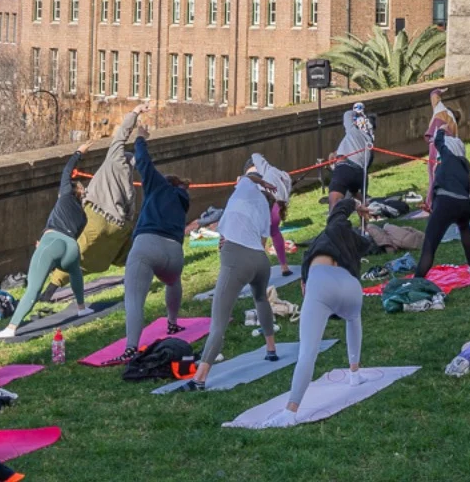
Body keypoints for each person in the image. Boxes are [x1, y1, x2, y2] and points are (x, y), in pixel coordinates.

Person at [171, 156, 291, 392]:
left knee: (218, 322)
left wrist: (260, 181)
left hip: (236, 261)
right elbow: (262, 242)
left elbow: (249, 175)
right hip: (260, 262)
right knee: (260, 300)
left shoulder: (243, 192)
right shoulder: (265, 214)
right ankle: (271, 350)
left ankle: (200, 379)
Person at [261, 198, 376, 427]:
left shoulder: (334, 228)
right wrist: (366, 224)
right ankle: (355, 373)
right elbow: (367, 243)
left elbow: (340, 207)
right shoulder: (354, 242)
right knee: (353, 320)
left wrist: (355, 204)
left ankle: (290, 411)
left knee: (308, 351)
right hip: (351, 287)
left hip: (322, 282)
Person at [0, 149, 98, 339]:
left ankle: (11, 328)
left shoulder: (65, 195)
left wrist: (78, 153)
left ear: (69, 192)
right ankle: (82, 308)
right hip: (70, 248)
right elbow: (71, 236)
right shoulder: (83, 216)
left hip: (53, 243)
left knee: (33, 288)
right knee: (75, 273)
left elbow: (67, 171)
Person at [116, 116, 193, 362]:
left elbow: (145, 164)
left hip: (148, 246)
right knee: (173, 282)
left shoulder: (159, 186)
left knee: (135, 298)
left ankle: (131, 347)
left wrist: (140, 138)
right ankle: (172, 322)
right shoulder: (182, 200)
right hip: (174, 254)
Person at [69, 109, 142, 289]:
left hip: (96, 214)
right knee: (124, 253)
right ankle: (138, 276)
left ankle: (51, 288)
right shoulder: (130, 186)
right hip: (117, 224)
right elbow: (130, 210)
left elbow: (121, 135)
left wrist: (135, 112)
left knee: (75, 253)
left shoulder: (113, 160)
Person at [414, 122, 470, 276]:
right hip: (464, 205)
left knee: (429, 246)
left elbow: (438, 142)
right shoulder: (466, 168)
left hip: (445, 203)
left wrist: (442, 129)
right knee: (464, 228)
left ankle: (416, 281)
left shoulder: (447, 156)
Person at [326, 103, 376, 210]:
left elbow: (347, 114)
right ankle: (367, 218)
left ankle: (333, 223)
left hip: (346, 168)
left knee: (334, 201)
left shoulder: (353, 131)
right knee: (358, 198)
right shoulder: (370, 143)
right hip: (361, 175)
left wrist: (357, 113)